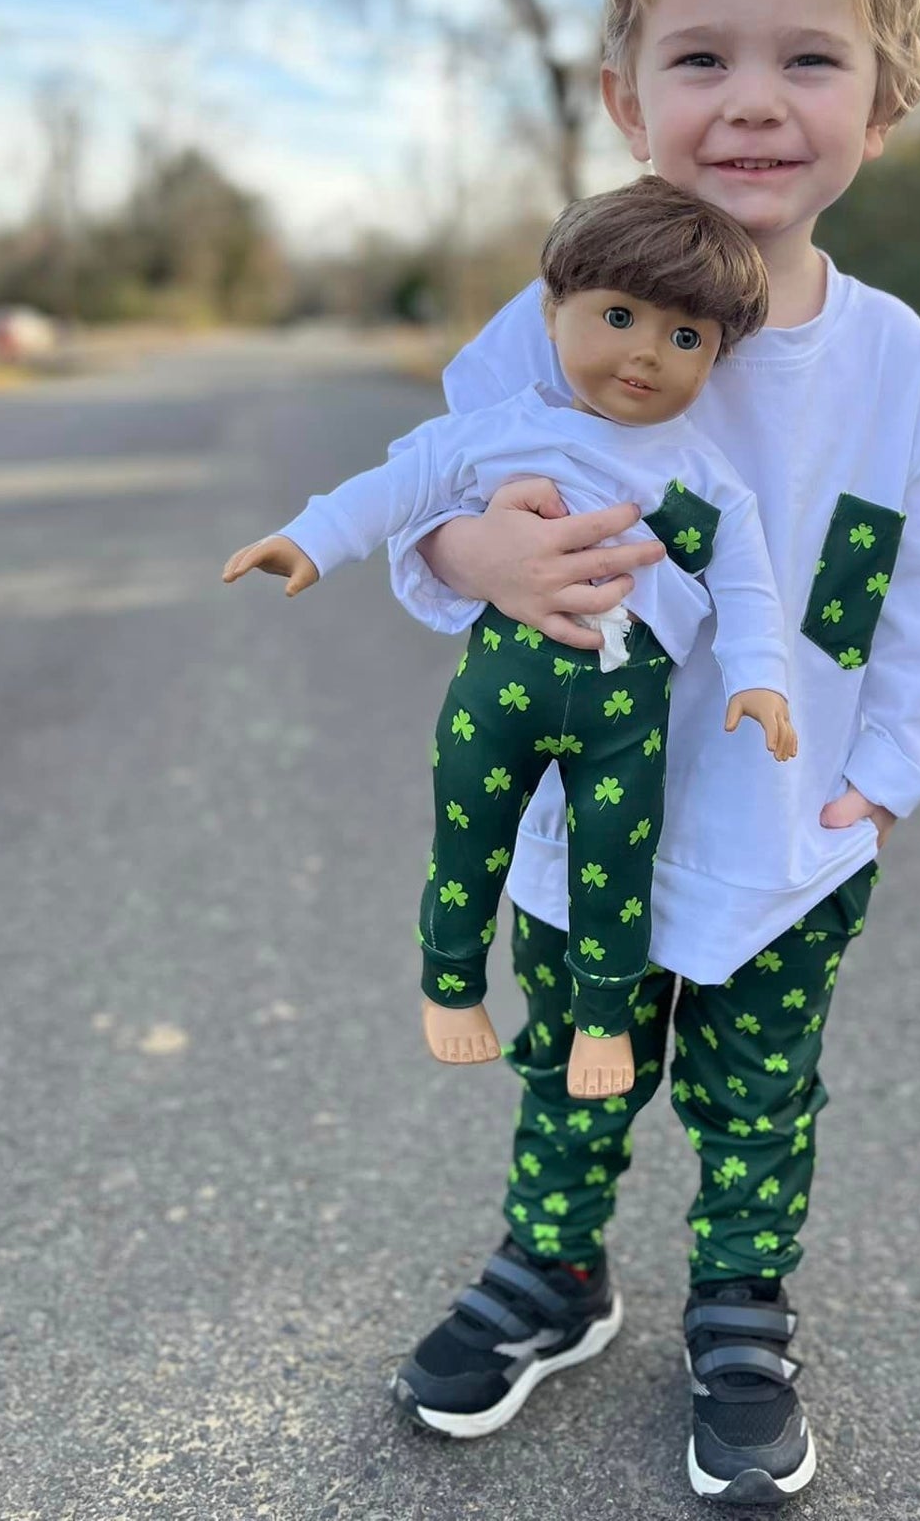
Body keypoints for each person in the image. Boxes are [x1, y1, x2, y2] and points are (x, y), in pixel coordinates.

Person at [387, 0, 920, 1504]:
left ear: (883, 102)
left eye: (809, 57)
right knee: (573, 1062)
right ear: (628, 98)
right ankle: (555, 1269)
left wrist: (897, 767)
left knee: (759, 1084)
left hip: (797, 825)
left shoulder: (892, 365)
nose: (754, 100)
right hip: (594, 817)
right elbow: (428, 493)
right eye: (701, 56)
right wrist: (470, 553)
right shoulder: (562, 318)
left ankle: (742, 1299)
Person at [223, 177, 798, 1101]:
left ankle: (602, 1017)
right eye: (618, 315)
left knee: (617, 859)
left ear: (716, 354)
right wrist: (311, 539)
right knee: (467, 836)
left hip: (625, 710)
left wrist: (759, 676)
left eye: (686, 337)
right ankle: (450, 990)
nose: (647, 353)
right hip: (500, 693)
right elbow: (397, 484)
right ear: (553, 308)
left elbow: (747, 580)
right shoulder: (498, 432)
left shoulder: (704, 474)